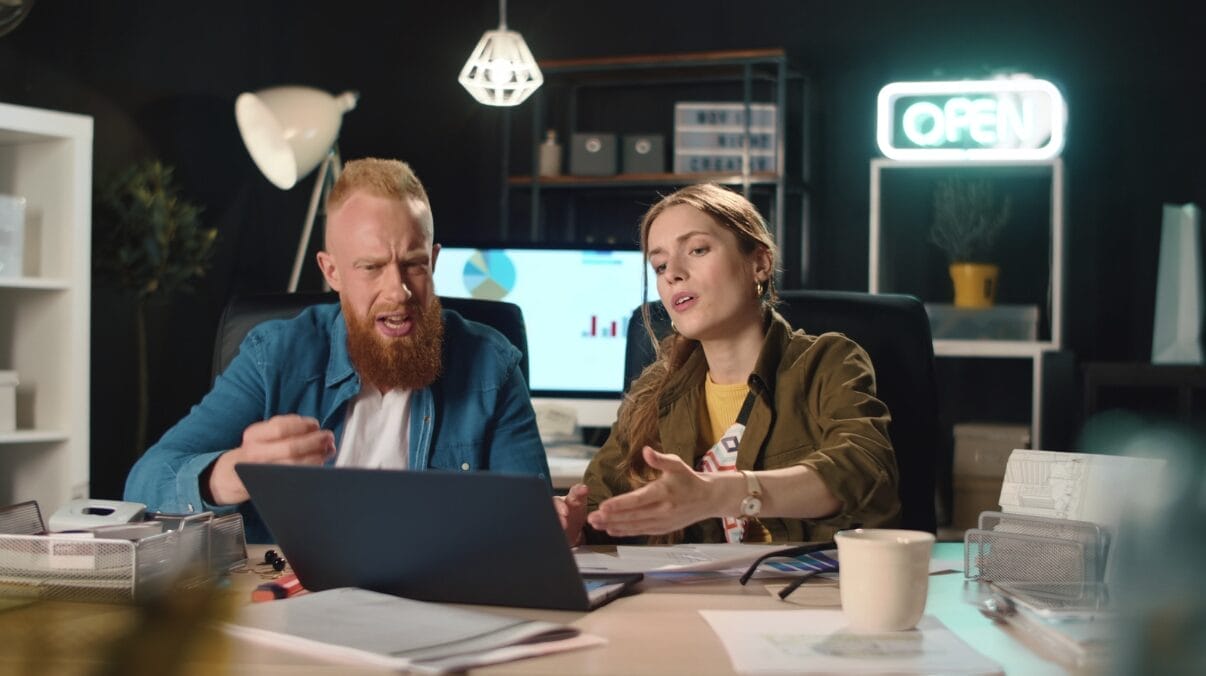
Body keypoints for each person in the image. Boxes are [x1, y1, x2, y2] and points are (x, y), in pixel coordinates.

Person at [125, 158, 549, 542]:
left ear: (434, 262)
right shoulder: (273, 356)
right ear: (332, 271)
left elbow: (534, 524)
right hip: (291, 606)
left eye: (414, 264)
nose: (397, 292)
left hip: (439, 601)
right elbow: (145, 484)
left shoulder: (492, 365)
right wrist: (235, 473)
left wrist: (553, 526)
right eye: (371, 267)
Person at [558, 184, 899, 545]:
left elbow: (862, 470)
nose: (672, 272)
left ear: (760, 263)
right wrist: (571, 522)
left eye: (698, 249)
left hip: (807, 594)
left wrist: (720, 492)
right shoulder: (653, 389)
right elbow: (598, 507)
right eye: (659, 265)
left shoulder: (828, 362)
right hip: (685, 598)